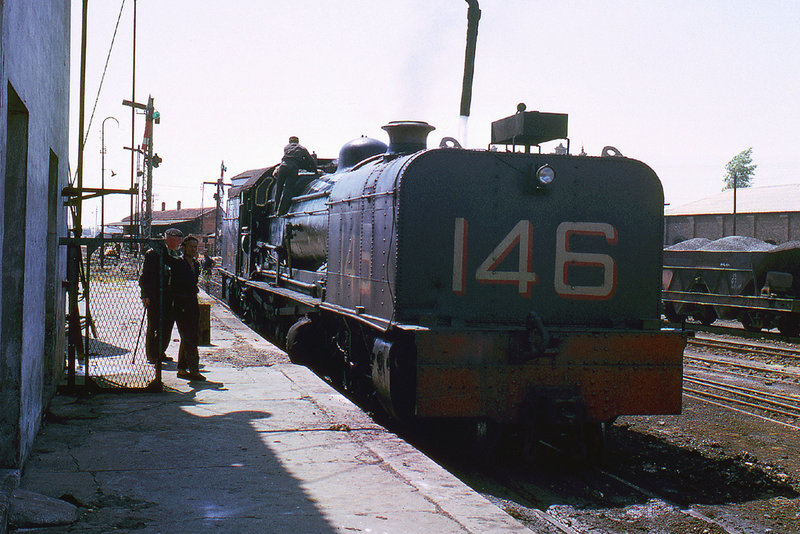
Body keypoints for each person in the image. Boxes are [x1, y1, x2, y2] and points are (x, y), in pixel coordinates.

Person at [139, 228, 183, 364]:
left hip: (169, 296)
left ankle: (160, 351)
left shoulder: (177, 254)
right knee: (154, 325)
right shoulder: (153, 254)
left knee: (168, 325)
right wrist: (145, 294)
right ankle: (152, 355)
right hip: (155, 295)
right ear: (168, 239)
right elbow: (145, 276)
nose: (179, 242)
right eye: (177, 239)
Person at [172, 235, 205, 381]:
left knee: (188, 336)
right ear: (183, 247)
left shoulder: (196, 265)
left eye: (195, 247)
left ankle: (181, 369)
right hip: (181, 303)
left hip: (192, 303)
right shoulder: (178, 263)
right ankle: (194, 370)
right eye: (191, 247)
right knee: (189, 337)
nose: (194, 250)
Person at [273, 135, 316, 214]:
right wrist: (315, 171)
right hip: (292, 168)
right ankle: (281, 211)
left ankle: (275, 207)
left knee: (279, 188)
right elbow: (310, 160)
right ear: (298, 141)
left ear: (290, 141)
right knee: (288, 189)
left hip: (282, 167)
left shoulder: (286, 147)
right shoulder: (302, 148)